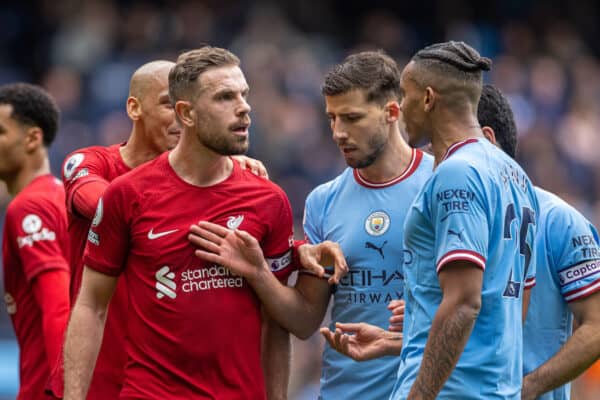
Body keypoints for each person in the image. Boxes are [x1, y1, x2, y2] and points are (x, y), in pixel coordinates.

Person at [187, 50, 433, 399]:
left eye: (351, 118)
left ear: (391, 112)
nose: (338, 132)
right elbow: (304, 321)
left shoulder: (441, 183)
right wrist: (258, 273)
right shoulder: (324, 200)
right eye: (332, 118)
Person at [63, 46, 293, 400]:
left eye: (244, 95)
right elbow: (93, 201)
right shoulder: (103, 172)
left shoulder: (264, 197)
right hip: (122, 382)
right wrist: (128, 211)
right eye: (166, 104)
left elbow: (287, 322)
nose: (244, 107)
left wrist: (298, 252)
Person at [324, 41, 538, 400]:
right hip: (495, 388)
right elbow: (513, 303)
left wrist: (419, 395)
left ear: (427, 98)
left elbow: (464, 303)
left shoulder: (456, 174)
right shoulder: (514, 174)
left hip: (451, 391)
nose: (401, 108)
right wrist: (401, 339)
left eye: (404, 97)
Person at [477, 85, 600, 400]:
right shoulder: (437, 218)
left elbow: (596, 326)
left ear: (486, 140)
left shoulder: (560, 221)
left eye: (443, 145)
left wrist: (528, 388)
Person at [0, 83, 70, 399]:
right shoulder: (61, 197)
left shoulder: (29, 207)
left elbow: (58, 308)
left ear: (32, 138)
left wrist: (65, 391)